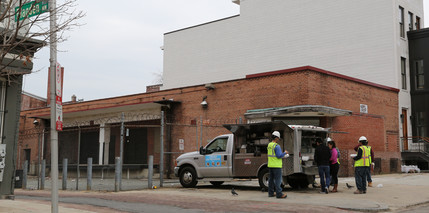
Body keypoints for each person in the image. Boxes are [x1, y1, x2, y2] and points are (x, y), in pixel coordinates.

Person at [267, 131, 288, 199]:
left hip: (270, 165)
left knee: (271, 180)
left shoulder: (269, 145)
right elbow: (279, 156)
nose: (278, 139)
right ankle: (279, 193)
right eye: (278, 138)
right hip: (276, 165)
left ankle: (270, 193)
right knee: (278, 180)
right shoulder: (277, 146)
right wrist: (285, 153)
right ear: (276, 138)